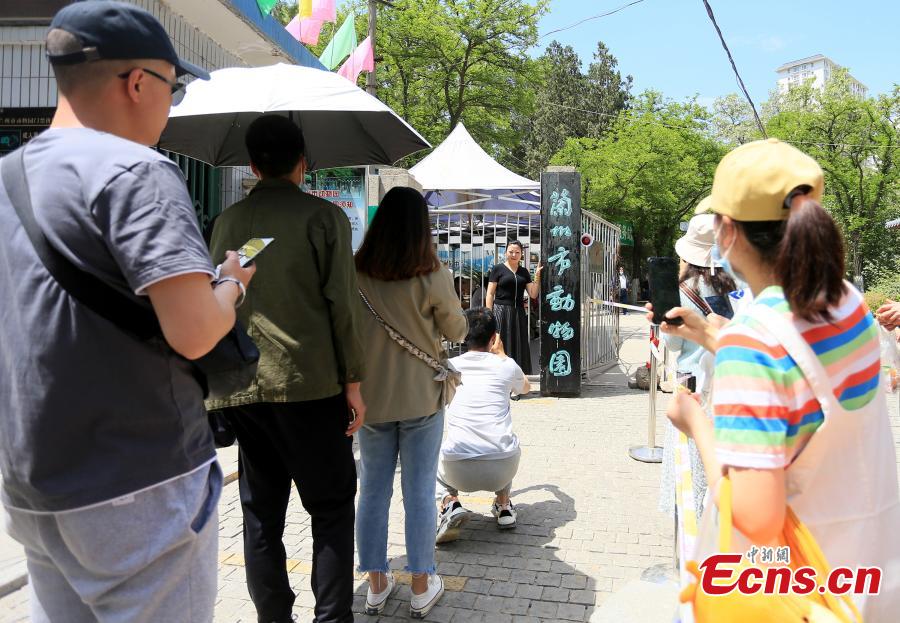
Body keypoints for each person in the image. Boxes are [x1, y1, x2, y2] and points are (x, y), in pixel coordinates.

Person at [0, 3, 255, 621]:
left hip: (33, 483)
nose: (172, 103)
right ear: (138, 82)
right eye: (172, 86)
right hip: (138, 479)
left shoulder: (7, 177)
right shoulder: (136, 171)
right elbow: (195, 333)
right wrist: (231, 284)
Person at [664, 139, 900, 620]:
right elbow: (808, 383)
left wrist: (696, 424)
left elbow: (755, 518)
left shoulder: (753, 343)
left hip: (802, 597)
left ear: (728, 231)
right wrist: (713, 337)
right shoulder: (846, 301)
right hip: (870, 580)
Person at [209, 115, 365, 623]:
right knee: (331, 507)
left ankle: (273, 616)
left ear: (253, 166)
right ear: (303, 163)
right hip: (310, 383)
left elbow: (215, 297)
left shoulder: (226, 222)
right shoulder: (325, 219)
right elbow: (343, 307)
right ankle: (332, 617)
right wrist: (354, 383)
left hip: (243, 389)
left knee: (260, 514)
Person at [354, 187, 468, 619]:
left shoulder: (355, 270)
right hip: (421, 395)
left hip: (370, 399)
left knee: (372, 490)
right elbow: (457, 331)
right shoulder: (432, 272)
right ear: (422, 226)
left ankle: (376, 584)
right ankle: (421, 585)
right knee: (419, 491)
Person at [658, 205, 736, 521]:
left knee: (688, 467)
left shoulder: (681, 290)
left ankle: (689, 538)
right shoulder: (732, 287)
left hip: (690, 384)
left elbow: (674, 343)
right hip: (726, 382)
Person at [435, 307, 529, 544]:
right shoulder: (506, 365)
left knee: (432, 457)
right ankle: (504, 506)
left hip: (457, 469)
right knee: (505, 440)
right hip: (501, 468)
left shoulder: (450, 366)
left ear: (463, 335)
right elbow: (526, 388)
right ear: (494, 337)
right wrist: (503, 356)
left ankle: (450, 503)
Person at [485, 241, 542, 374]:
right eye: (511, 252)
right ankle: (499, 376)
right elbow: (490, 294)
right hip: (500, 312)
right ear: (506, 253)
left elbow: (533, 294)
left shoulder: (524, 272)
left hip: (518, 313)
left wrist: (537, 277)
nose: (514, 255)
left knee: (519, 344)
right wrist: (489, 314)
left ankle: (518, 377)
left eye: (517, 252)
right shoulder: (498, 269)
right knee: (500, 344)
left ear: (521, 254)